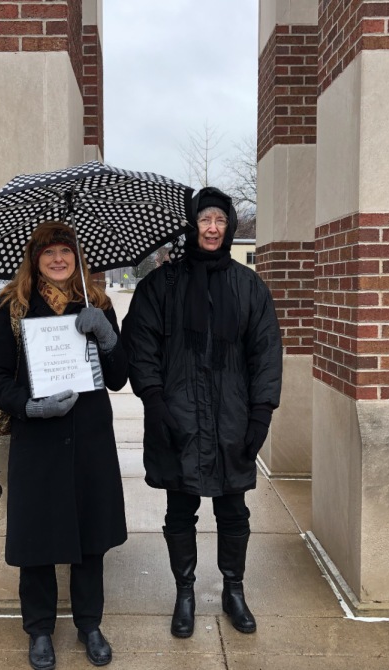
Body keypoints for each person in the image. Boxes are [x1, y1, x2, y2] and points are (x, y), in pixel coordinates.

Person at [122, 187, 282, 638]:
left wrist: (261, 415)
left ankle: (234, 590)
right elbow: (142, 348)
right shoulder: (162, 285)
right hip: (178, 420)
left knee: (234, 511)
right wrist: (154, 401)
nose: (211, 229)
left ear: (229, 227)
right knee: (180, 510)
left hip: (232, 421)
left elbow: (266, 353)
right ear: (191, 225)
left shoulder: (249, 286)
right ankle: (185, 592)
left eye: (220, 221)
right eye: (204, 220)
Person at [0, 221, 128, 670]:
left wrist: (106, 335)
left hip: (90, 441)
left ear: (77, 257)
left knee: (90, 540)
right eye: (49, 253)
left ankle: (89, 624)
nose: (59, 259)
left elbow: (120, 377)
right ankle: (40, 630)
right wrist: (30, 405)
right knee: (38, 539)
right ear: (35, 259)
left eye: (66, 251)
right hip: (39, 439)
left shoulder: (97, 303)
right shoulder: (14, 307)